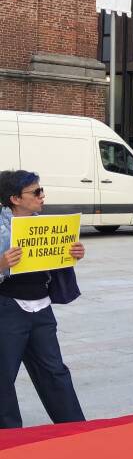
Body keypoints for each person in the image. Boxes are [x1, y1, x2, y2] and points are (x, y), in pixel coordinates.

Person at [0, 170, 87, 429]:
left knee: (54, 372)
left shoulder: (44, 225)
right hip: (7, 309)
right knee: (3, 378)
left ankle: (76, 430)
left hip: (41, 308)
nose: (42, 195)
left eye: (41, 190)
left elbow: (52, 261)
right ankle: (9, 438)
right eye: (35, 192)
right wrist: (1, 264)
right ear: (15, 198)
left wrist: (73, 254)